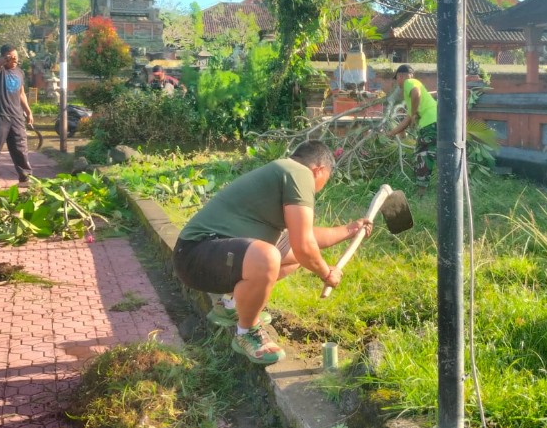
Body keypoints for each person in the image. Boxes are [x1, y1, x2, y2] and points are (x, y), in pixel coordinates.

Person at [172, 140, 372, 365]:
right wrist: (327, 273)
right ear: (319, 170)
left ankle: (231, 306)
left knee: (290, 257)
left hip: (203, 253)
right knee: (268, 257)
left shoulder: (284, 171)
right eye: (322, 183)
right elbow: (304, 246)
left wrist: (349, 230)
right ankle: (247, 332)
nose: (316, 191)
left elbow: (305, 238)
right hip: (196, 253)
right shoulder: (299, 174)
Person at [0, 44, 34, 189]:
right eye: (12, 57)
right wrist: (5, 59)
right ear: (5, 57)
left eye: (16, 57)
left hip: (17, 116)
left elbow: (21, 93)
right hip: (0, 115)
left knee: (21, 147)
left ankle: (25, 177)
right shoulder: (0, 71)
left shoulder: (20, 72)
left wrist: (28, 111)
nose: (15, 59)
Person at [385, 64, 438, 190]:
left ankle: (421, 191)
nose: (397, 82)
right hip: (436, 122)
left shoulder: (409, 82)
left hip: (430, 124)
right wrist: (390, 134)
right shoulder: (412, 94)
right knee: (433, 153)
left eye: (397, 78)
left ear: (400, 76)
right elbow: (407, 120)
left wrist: (414, 114)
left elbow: (416, 94)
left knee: (422, 154)